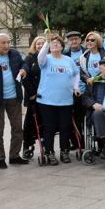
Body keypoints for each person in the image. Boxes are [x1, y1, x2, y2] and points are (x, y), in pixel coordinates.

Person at [0, 33, 28, 168]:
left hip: (14, 97)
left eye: (8, 42)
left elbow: (24, 63)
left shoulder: (14, 54)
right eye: (3, 43)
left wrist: (24, 69)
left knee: (18, 128)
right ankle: (0, 158)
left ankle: (14, 155)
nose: (7, 45)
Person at [36, 34, 81, 165]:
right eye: (52, 43)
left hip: (66, 100)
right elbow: (40, 56)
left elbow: (76, 74)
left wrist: (76, 87)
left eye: (58, 43)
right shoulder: (46, 59)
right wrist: (47, 41)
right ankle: (49, 152)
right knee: (49, 127)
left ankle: (64, 151)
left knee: (65, 127)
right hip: (47, 101)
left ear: (62, 46)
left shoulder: (68, 60)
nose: (55, 44)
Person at [21, 36, 46, 160]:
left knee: (45, 121)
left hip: (47, 95)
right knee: (30, 122)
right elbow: (24, 77)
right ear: (34, 46)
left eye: (43, 43)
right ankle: (27, 146)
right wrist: (32, 94)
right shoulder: (29, 58)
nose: (40, 46)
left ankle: (46, 143)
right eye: (38, 44)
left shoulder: (50, 57)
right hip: (33, 95)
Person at [64, 30, 86, 145]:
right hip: (70, 91)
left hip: (86, 90)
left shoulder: (87, 52)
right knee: (72, 117)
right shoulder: (65, 54)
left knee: (84, 117)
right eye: (71, 39)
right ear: (68, 41)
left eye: (76, 39)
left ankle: (87, 140)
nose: (74, 41)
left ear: (80, 40)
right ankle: (76, 141)